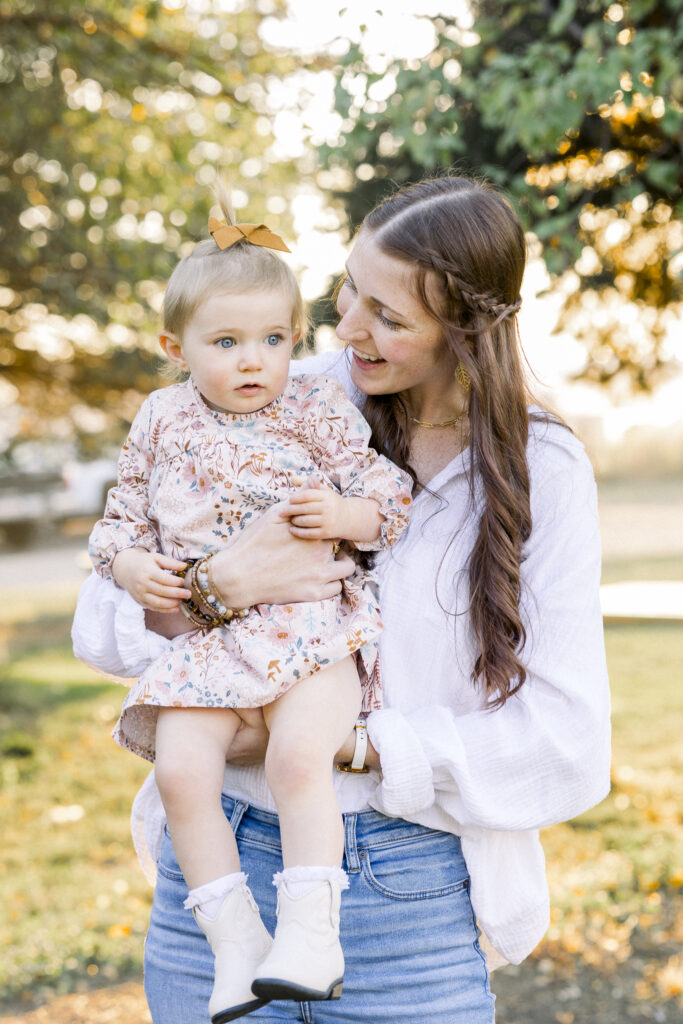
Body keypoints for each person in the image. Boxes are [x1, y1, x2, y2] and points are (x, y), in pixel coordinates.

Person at [73, 173, 611, 1024]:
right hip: (223, 850)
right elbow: (101, 620)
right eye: (346, 292)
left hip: (407, 893)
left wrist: (341, 742)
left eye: (389, 317)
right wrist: (219, 589)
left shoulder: (539, 470)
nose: (346, 328)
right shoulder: (267, 389)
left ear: (467, 331)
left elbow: (565, 742)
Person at [85, 200, 413, 1022]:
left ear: (294, 339)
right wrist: (131, 564)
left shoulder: (313, 410)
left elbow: (387, 493)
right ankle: (234, 943)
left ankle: (311, 934)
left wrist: (347, 518)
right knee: (181, 769)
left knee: (300, 760)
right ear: (176, 348)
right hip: (213, 641)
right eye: (225, 343)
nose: (253, 361)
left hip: (312, 633)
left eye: (273, 339)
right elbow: (118, 521)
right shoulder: (161, 418)